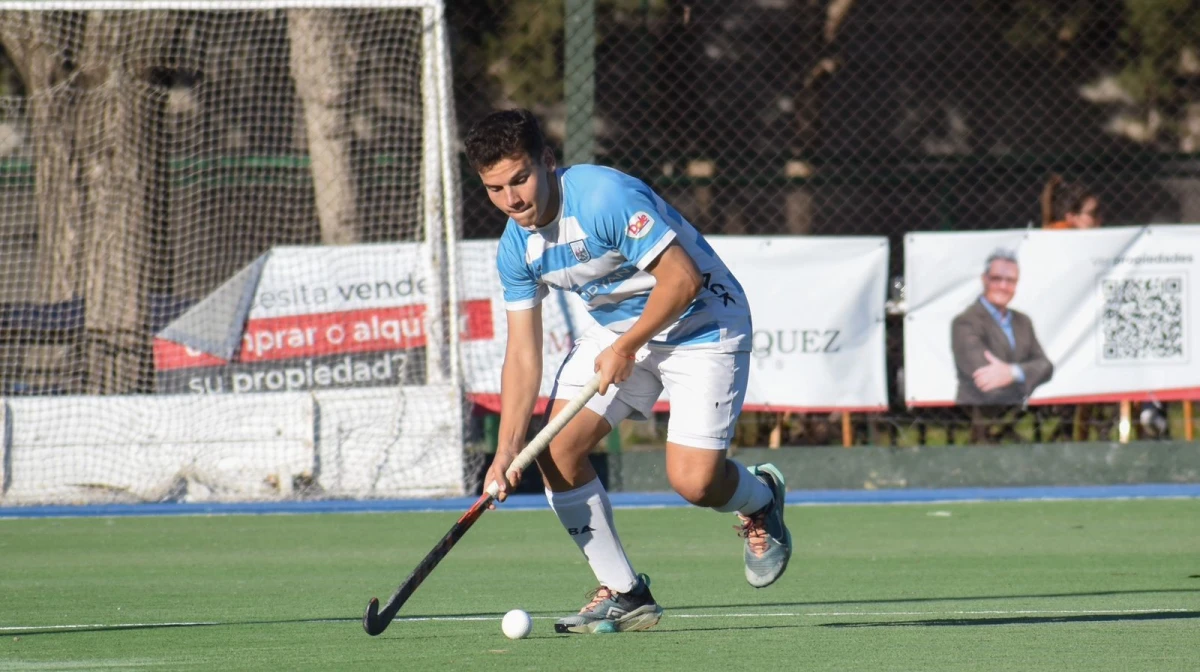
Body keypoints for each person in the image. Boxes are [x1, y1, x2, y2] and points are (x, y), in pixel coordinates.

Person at [465, 108, 791, 635]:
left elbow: (682, 279)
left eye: (520, 179)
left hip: (702, 322)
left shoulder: (603, 198)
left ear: (547, 162)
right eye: (495, 189)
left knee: (695, 481)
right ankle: (625, 593)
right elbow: (523, 354)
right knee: (556, 449)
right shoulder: (515, 247)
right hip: (617, 332)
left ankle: (761, 499)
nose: (513, 200)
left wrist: (629, 345)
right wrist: (506, 451)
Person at [951, 249, 1053, 406]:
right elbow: (984, 378)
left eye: (1010, 280)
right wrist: (1027, 375)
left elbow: (1045, 366)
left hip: (1016, 413)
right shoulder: (965, 322)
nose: (1003, 286)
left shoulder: (1023, 321)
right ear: (984, 279)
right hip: (976, 413)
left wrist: (1012, 373)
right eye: (996, 279)